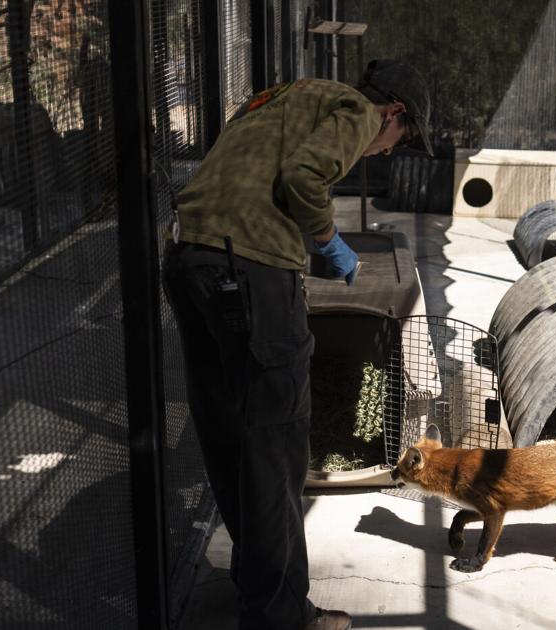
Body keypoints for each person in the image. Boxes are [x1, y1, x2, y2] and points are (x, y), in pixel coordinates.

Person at [161, 60, 433, 630]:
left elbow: (249, 174)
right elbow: (304, 177)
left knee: (227, 433)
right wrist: (328, 242)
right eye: (397, 141)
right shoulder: (358, 109)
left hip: (191, 260)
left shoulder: (280, 96)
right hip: (251, 272)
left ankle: (258, 589)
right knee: (277, 451)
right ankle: (281, 618)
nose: (383, 152)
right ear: (394, 112)